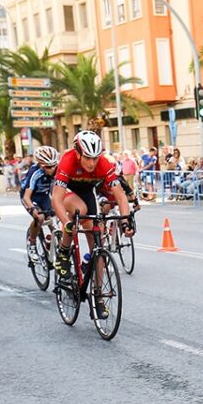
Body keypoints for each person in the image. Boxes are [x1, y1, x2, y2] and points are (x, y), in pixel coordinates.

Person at [52, 131, 135, 318]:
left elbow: (120, 195)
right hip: (68, 192)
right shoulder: (68, 160)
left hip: (88, 192)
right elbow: (56, 199)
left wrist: (125, 221)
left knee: (99, 244)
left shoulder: (104, 164)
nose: (91, 163)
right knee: (79, 210)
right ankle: (64, 252)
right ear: (78, 153)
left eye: (95, 158)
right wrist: (66, 223)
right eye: (88, 158)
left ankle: (97, 295)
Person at [22, 146, 60, 263]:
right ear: (40, 165)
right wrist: (33, 209)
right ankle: (32, 243)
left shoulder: (56, 169)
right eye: (48, 167)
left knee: (55, 223)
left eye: (54, 165)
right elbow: (26, 197)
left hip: (44, 196)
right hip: (30, 197)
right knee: (40, 217)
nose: (52, 169)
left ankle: (50, 243)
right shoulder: (35, 173)